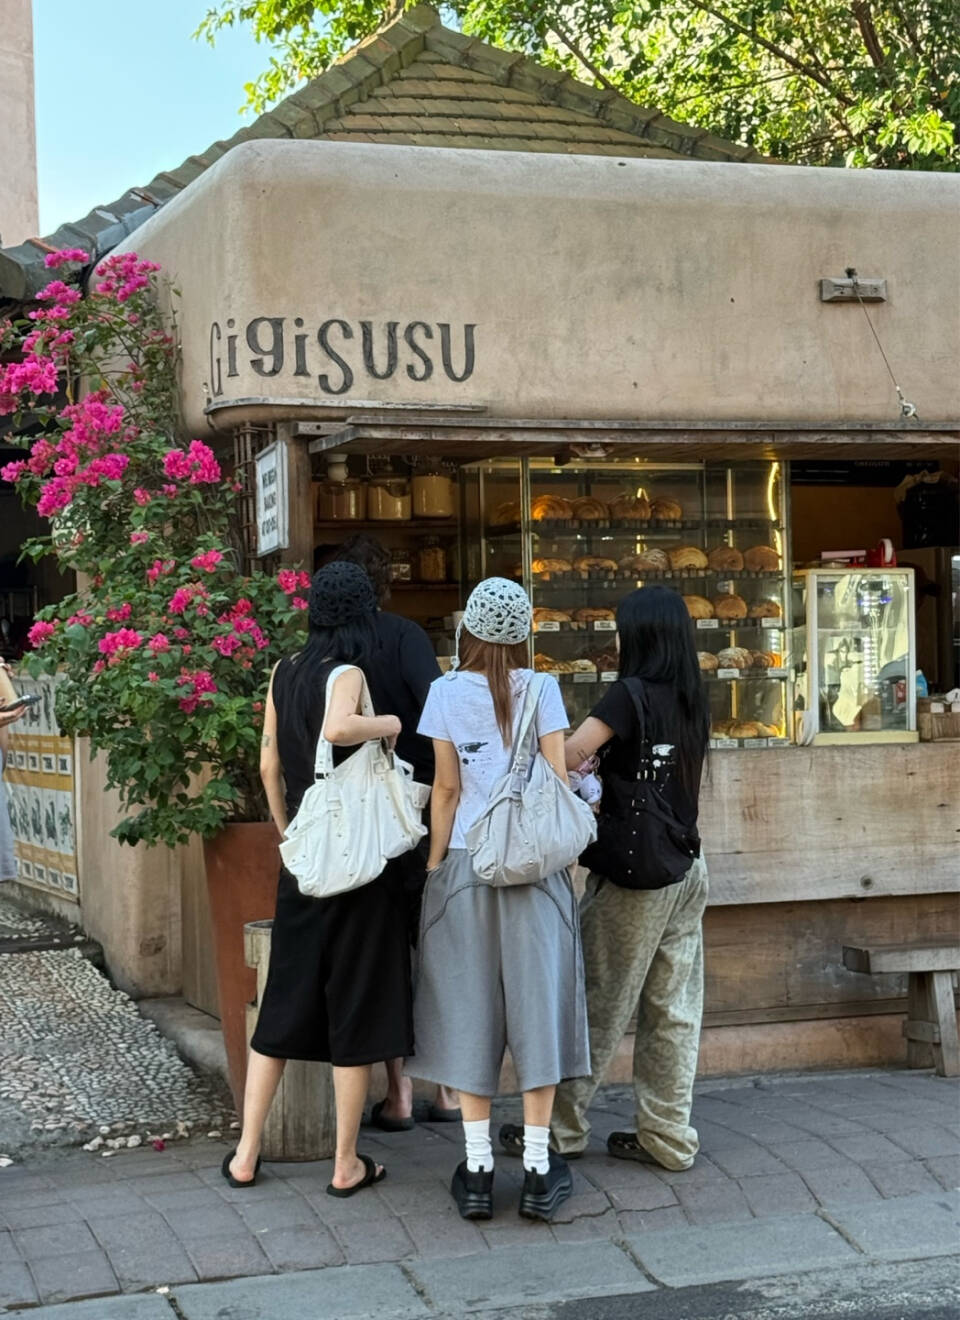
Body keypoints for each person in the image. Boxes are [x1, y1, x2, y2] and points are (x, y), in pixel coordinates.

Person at [501, 585, 710, 1172]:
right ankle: (667, 1136)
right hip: (687, 867)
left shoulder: (628, 694)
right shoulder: (691, 693)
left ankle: (560, 1130)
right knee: (673, 1010)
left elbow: (568, 755)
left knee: (596, 1002)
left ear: (639, 634)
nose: (616, 638)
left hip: (635, 879)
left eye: (621, 628)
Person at [223, 561, 414, 1197]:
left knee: (282, 1000)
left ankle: (246, 1152)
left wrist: (288, 834)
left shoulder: (284, 670)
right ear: (363, 616)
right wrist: (389, 724)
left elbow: (268, 764)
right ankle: (345, 1163)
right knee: (355, 1003)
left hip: (304, 859)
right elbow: (338, 728)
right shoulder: (349, 672)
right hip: (357, 864)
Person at [410, 577, 590, 1222]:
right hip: (535, 869)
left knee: (468, 1010)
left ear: (468, 631)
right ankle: (539, 1168)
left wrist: (435, 866)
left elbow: (446, 790)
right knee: (539, 1009)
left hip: (465, 864)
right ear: (523, 635)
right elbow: (557, 778)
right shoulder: (542, 688)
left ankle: (479, 1169)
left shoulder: (443, 692)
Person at [332, 533, 459, 1128]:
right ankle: (448, 1090)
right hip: (420, 804)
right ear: (383, 585)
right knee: (434, 945)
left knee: (385, 953)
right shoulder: (406, 636)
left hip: (362, 815)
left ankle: (399, 1094)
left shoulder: (329, 652)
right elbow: (440, 713)